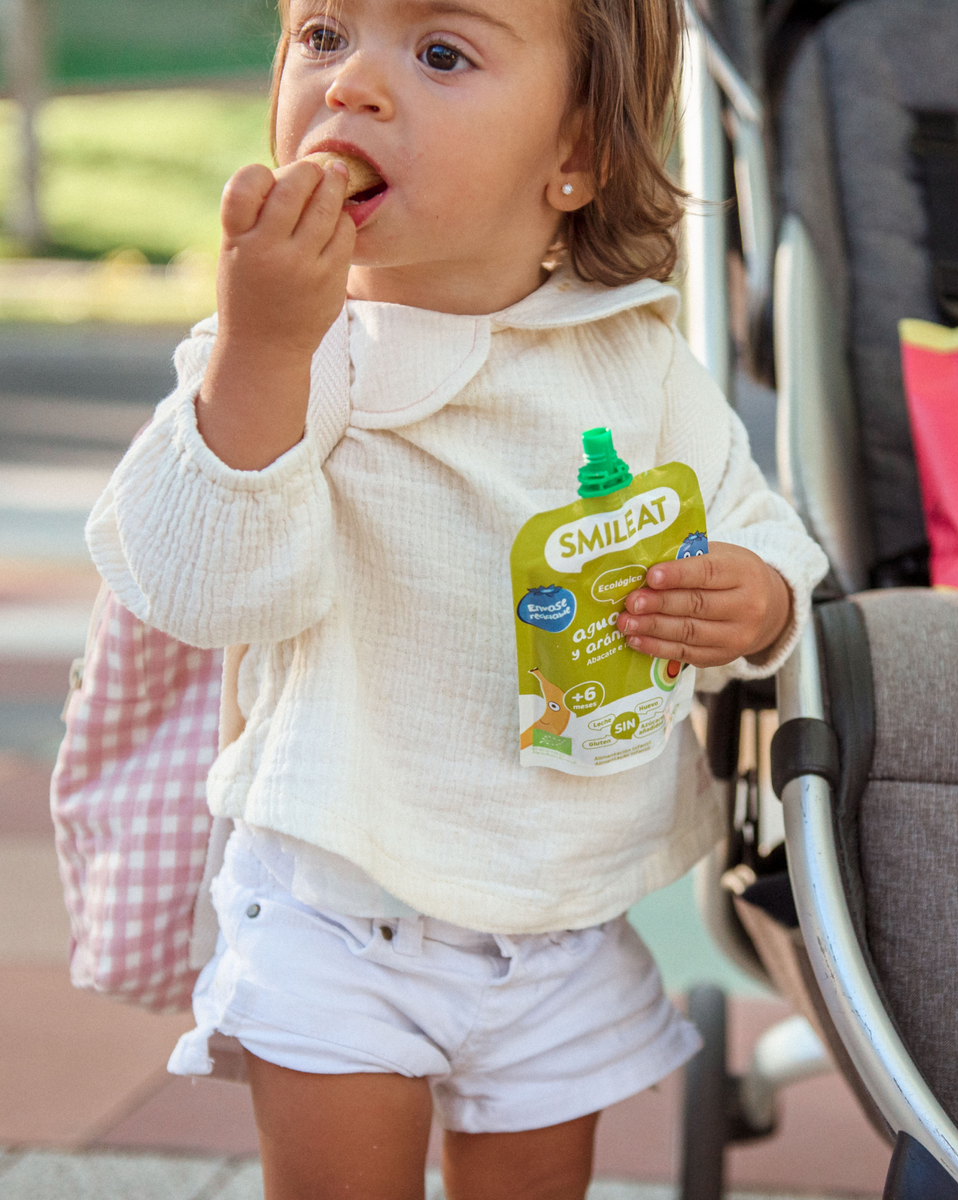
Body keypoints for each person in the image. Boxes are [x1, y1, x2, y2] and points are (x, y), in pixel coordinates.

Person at [85, 0, 828, 1196]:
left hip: (559, 905)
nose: (354, 86)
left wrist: (758, 599)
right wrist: (262, 353)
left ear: (576, 157)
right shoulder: (297, 349)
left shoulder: (633, 357)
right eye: (323, 35)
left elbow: (765, 535)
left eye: (439, 53)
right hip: (339, 901)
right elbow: (206, 588)